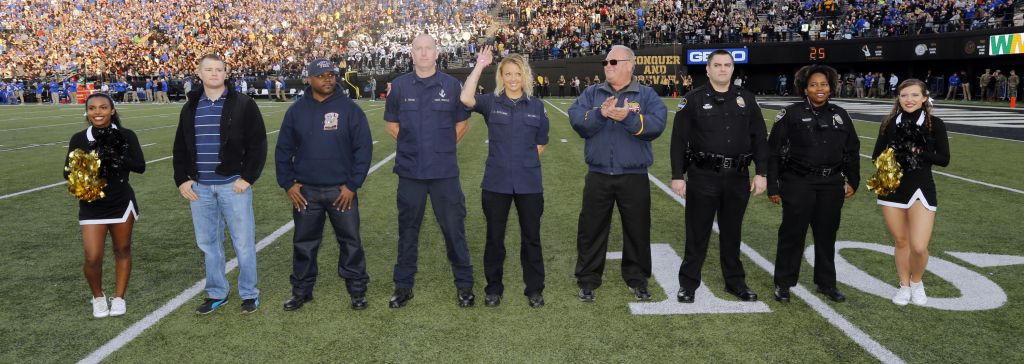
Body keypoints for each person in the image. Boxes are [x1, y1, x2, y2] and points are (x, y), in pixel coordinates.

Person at [568, 45, 667, 302]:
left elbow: (657, 124)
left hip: (633, 175)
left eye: (613, 61)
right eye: (605, 62)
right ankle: (588, 279)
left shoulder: (645, 94)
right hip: (598, 174)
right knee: (590, 229)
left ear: (629, 64)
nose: (607, 66)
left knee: (637, 229)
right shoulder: (592, 92)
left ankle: (637, 278)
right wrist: (600, 114)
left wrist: (629, 118)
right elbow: (577, 119)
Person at [383, 34, 475, 308]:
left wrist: (440, 149)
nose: (424, 53)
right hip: (410, 172)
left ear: (437, 53)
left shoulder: (450, 84)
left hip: (444, 173)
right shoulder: (399, 87)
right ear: (412, 54)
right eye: (418, 49)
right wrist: (415, 148)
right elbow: (391, 125)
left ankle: (465, 286)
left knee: (453, 229)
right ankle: (403, 286)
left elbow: (462, 124)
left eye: (428, 49)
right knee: (407, 230)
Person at [670, 49, 769, 303]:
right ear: (707, 69)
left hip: (738, 177)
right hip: (703, 176)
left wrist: (761, 172)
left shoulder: (747, 99)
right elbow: (678, 141)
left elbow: (759, 138)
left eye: (727, 65)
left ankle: (735, 283)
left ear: (733, 69)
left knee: (732, 233)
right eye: (717, 65)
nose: (723, 69)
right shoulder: (692, 99)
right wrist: (677, 175)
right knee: (697, 233)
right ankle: (688, 285)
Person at [172, 54, 268, 315]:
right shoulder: (190, 107)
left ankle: (249, 293)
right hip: (200, 188)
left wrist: (247, 177)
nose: (214, 74)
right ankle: (217, 292)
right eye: (209, 69)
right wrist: (182, 179)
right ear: (199, 73)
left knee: (244, 241)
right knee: (208, 243)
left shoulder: (244, 104)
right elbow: (180, 146)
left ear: (226, 74)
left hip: (232, 185)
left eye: (219, 70)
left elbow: (258, 144)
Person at [275, 59, 373, 311]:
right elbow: (283, 150)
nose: (328, 79)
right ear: (309, 79)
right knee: (304, 244)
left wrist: (353, 185)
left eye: (331, 75)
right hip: (306, 192)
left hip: (342, 192)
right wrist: (288, 184)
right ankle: (301, 291)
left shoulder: (350, 109)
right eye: (321, 75)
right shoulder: (296, 111)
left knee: (351, 243)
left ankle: (357, 290)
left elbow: (363, 150)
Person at [461, 47, 549, 308]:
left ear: (525, 77)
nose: (513, 79)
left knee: (531, 238)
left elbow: (540, 145)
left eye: (517, 74)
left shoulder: (537, 106)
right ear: (501, 76)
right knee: (494, 238)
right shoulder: (491, 102)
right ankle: (493, 288)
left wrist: (522, 164)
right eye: (508, 74)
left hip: (529, 184)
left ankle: (534, 289)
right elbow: (466, 98)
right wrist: (479, 65)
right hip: (496, 183)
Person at [766, 65, 860, 303]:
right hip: (798, 182)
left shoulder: (840, 114)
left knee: (827, 235)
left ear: (831, 87)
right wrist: (773, 186)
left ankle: (826, 283)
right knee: (792, 234)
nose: (820, 89)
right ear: (805, 89)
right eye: (814, 85)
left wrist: (853, 180)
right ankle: (784, 283)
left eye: (824, 84)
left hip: (831, 184)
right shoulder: (791, 114)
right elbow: (773, 152)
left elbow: (852, 149)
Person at [64, 93, 145, 318]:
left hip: (121, 201)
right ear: (87, 112)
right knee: (92, 256)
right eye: (92, 108)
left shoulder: (126, 135)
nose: (97, 113)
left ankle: (119, 298)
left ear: (112, 110)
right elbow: (66, 171)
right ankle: (98, 297)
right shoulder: (79, 138)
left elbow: (140, 166)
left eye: (103, 108)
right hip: (92, 205)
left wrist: (116, 155)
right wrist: (88, 168)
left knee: (122, 250)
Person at [870, 79, 950, 306]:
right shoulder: (888, 123)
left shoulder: (935, 124)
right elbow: (876, 156)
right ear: (898, 97)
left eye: (915, 95)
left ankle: (917, 282)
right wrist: (892, 158)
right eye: (904, 95)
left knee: (919, 246)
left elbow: (944, 159)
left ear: (924, 98)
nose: (909, 100)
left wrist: (918, 151)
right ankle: (904, 285)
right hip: (892, 188)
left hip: (921, 188)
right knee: (901, 242)